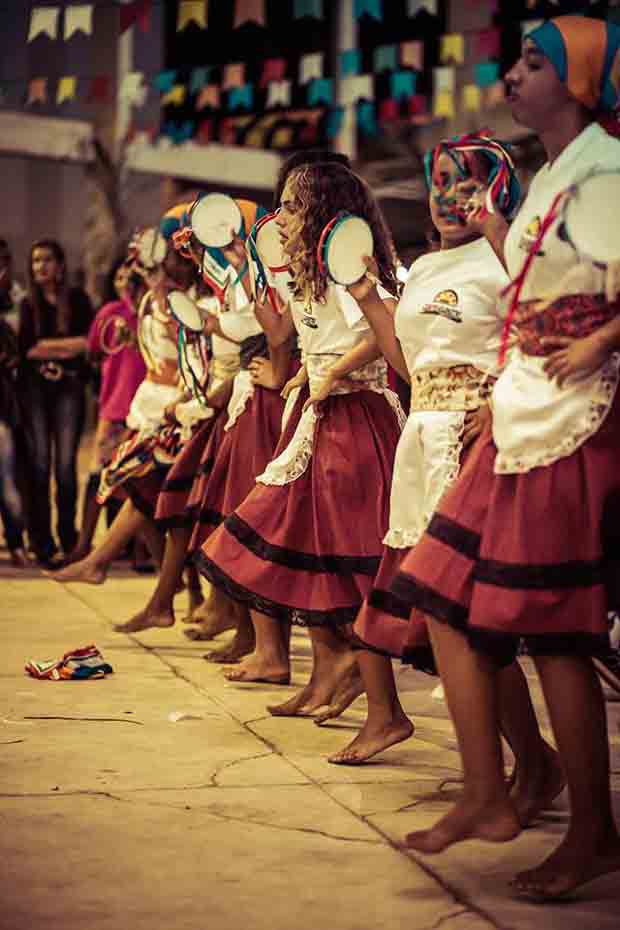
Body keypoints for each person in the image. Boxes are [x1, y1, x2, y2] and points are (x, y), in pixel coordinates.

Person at [381, 16, 620, 900]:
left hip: (573, 416)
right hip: (515, 412)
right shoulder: (558, 175)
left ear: (584, 82)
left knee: (556, 632)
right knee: (437, 590)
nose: (512, 74)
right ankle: (489, 791)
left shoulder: (606, 172)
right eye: (516, 58)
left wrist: (605, 341)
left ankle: (594, 830)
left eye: (533, 62)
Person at [197, 161, 403, 699]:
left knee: (349, 555)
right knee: (309, 547)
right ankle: (327, 671)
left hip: (354, 412)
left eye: (291, 205)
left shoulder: (348, 266)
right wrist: (254, 271)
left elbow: (381, 333)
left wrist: (330, 371)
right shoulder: (307, 269)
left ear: (322, 210)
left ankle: (371, 684)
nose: (280, 215)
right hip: (316, 413)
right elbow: (285, 332)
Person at [64, 256, 147, 564]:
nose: (126, 281)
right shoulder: (110, 313)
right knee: (99, 475)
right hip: (113, 407)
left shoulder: (152, 312)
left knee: (139, 478)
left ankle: (141, 550)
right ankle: (84, 543)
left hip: (145, 409)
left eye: (132, 276)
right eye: (120, 276)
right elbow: (95, 352)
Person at [18, 240, 93, 566]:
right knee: (38, 465)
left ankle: (67, 536)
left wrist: (48, 347)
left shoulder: (77, 300)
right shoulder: (27, 304)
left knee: (64, 468)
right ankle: (42, 542)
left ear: (61, 265)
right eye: (36, 261)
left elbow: (87, 343)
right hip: (35, 390)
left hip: (69, 389)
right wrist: (63, 348)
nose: (41, 267)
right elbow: (27, 350)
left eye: (47, 260)